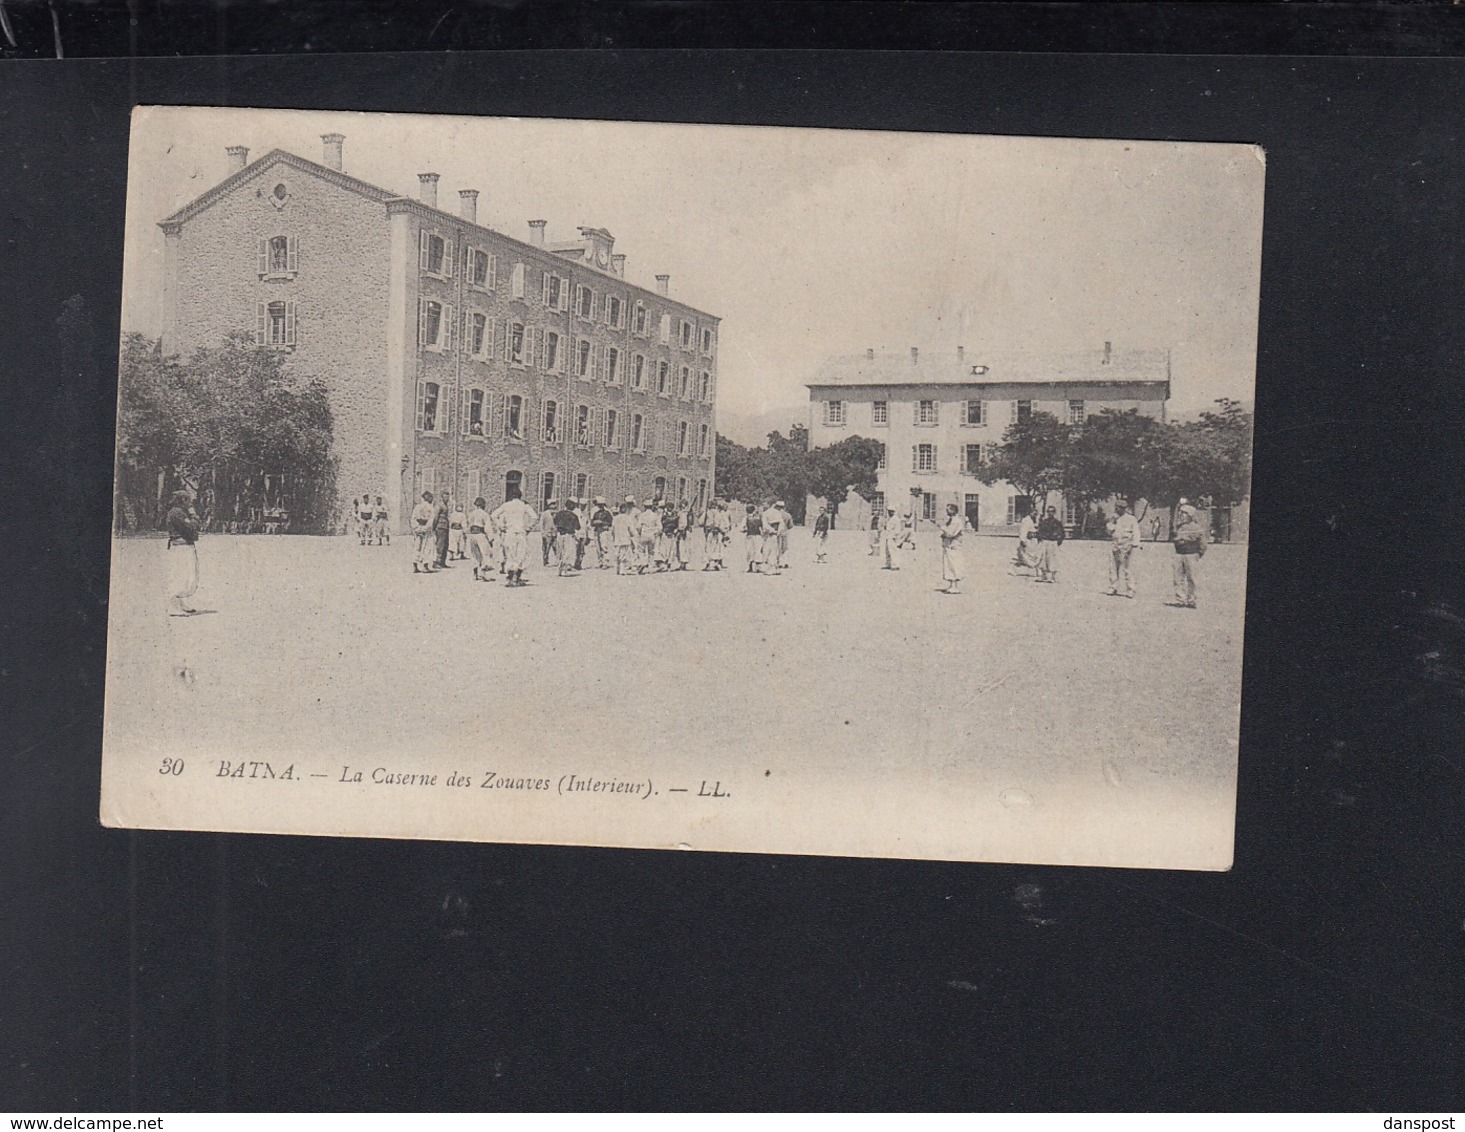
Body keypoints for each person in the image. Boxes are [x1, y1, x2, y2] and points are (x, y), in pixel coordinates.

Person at [492, 486, 538, 587]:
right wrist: (528, 527)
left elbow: (494, 515)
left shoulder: (506, 505)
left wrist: (500, 526)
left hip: (509, 532)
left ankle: (511, 578)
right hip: (521, 532)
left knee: (510, 555)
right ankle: (517, 577)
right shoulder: (524, 505)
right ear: (520, 496)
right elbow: (534, 517)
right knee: (521, 555)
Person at [164, 489, 201, 614]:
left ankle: (181, 602)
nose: (190, 503)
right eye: (188, 500)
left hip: (186, 546)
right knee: (180, 576)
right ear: (182, 500)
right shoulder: (177, 513)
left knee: (189, 576)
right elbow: (192, 526)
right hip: (180, 547)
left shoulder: (181, 512)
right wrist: (194, 514)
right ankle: (173, 606)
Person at [1169, 502, 1207, 608]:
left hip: (1191, 554)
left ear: (1190, 515)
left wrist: (1199, 554)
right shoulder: (1179, 527)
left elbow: (1203, 544)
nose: (1182, 515)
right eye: (1181, 513)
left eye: (1184, 513)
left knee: (1192, 578)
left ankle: (1192, 600)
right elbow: (1175, 538)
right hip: (1179, 554)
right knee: (1177, 578)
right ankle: (1180, 599)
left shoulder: (1196, 527)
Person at [1106, 500, 1142, 598]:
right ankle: (1113, 586)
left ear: (1124, 509)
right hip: (1115, 545)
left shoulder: (1131, 519)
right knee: (1113, 568)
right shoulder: (1114, 518)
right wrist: (1112, 521)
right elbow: (1109, 531)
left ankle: (1130, 589)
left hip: (1127, 545)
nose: (1117, 509)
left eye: (1119, 508)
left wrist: (1134, 545)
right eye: (1116, 507)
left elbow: (1136, 532)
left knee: (1128, 569)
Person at [939, 502, 968, 594]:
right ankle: (952, 585)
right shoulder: (952, 520)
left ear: (953, 510)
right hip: (949, 545)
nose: (947, 511)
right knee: (949, 565)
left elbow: (951, 533)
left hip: (954, 546)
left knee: (954, 565)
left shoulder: (956, 521)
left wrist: (942, 528)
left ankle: (954, 586)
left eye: (948, 509)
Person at [467, 496, 494, 582]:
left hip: (472, 535)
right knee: (485, 554)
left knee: (475, 554)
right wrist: (491, 539)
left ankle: (475, 574)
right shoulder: (484, 514)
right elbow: (488, 528)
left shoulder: (471, 513)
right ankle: (483, 573)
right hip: (480, 534)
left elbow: (469, 524)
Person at [1035, 506, 1065, 583]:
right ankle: (1043, 575)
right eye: (1048, 511)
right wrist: (1041, 540)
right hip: (1045, 542)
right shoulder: (1044, 522)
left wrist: (1058, 542)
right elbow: (1039, 532)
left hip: (1053, 542)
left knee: (1053, 559)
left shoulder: (1057, 523)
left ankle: (1053, 577)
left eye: (1052, 511)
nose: (1050, 513)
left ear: (1054, 512)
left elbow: (1061, 533)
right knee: (1043, 559)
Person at [553, 499, 581, 577]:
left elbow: (555, 522)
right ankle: (564, 568)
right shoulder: (573, 515)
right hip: (569, 535)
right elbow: (578, 527)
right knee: (568, 552)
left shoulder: (559, 514)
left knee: (560, 551)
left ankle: (559, 567)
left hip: (560, 534)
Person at [411, 491, 436, 573]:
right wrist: (425, 529)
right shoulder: (430, 508)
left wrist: (417, 529)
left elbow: (413, 519)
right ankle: (425, 566)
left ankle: (415, 566)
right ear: (427, 498)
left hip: (418, 530)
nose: (432, 499)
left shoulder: (417, 507)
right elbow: (431, 521)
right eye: (431, 497)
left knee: (417, 547)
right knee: (427, 548)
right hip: (426, 531)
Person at [612, 500, 638, 575]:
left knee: (617, 554)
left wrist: (613, 536)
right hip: (625, 539)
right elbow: (631, 528)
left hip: (617, 539)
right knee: (624, 554)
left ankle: (616, 569)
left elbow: (613, 528)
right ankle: (622, 570)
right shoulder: (627, 518)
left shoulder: (615, 518)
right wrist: (633, 535)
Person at [702, 498, 729, 571]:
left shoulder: (707, 512)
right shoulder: (719, 513)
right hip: (717, 531)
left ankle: (708, 564)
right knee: (715, 547)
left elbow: (700, 522)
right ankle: (715, 563)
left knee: (708, 547)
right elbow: (724, 524)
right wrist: (723, 531)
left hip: (709, 531)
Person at [761, 500, 786, 575]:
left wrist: (772, 530)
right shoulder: (777, 513)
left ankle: (771, 568)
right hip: (776, 534)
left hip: (770, 534)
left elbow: (765, 525)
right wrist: (778, 532)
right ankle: (775, 567)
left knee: (769, 551)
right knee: (775, 550)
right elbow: (781, 524)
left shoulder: (766, 513)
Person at [636, 498, 661, 574]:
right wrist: (656, 532)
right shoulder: (655, 515)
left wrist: (639, 532)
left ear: (644, 506)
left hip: (644, 534)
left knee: (641, 550)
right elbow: (660, 527)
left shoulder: (642, 515)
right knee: (651, 552)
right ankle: (650, 567)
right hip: (652, 535)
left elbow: (638, 526)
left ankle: (643, 562)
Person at [589, 497, 614, 569]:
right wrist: (595, 522)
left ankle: (605, 561)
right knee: (598, 547)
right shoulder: (596, 513)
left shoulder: (607, 513)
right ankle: (600, 561)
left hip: (604, 530)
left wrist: (602, 522)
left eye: (601, 505)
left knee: (604, 546)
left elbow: (610, 523)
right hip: (597, 530)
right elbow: (592, 523)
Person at [742, 503, 764, 573]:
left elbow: (742, 528)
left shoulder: (746, 518)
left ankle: (750, 567)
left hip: (749, 535)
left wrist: (745, 530)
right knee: (758, 550)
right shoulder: (759, 517)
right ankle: (758, 567)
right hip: (758, 535)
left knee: (749, 551)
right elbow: (763, 527)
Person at [880, 504, 903, 570]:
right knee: (887, 551)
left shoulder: (896, 519)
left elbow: (898, 529)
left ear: (893, 511)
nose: (889, 512)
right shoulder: (890, 519)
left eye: (891, 511)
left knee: (893, 551)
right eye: (889, 511)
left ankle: (895, 565)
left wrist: (895, 536)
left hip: (892, 537)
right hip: (888, 536)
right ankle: (888, 564)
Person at [433, 492, 452, 569]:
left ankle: (442, 562)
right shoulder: (439, 505)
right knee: (440, 545)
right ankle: (436, 562)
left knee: (445, 545)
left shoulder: (446, 506)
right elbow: (435, 517)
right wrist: (434, 527)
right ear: (442, 497)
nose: (447, 499)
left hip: (445, 527)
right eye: (445, 497)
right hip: (440, 527)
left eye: (448, 497)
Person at [673, 500, 694, 570]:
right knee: (681, 548)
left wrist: (680, 529)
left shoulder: (686, 514)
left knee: (683, 547)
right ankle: (682, 563)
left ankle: (683, 563)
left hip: (684, 531)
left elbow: (685, 523)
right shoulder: (681, 513)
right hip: (683, 531)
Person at [539, 500, 559, 568]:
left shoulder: (556, 513)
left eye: (554, 504)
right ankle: (545, 561)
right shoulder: (545, 514)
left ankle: (557, 560)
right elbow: (541, 524)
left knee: (556, 547)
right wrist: (542, 532)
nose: (553, 506)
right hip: (547, 533)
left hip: (554, 533)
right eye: (552, 504)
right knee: (546, 548)